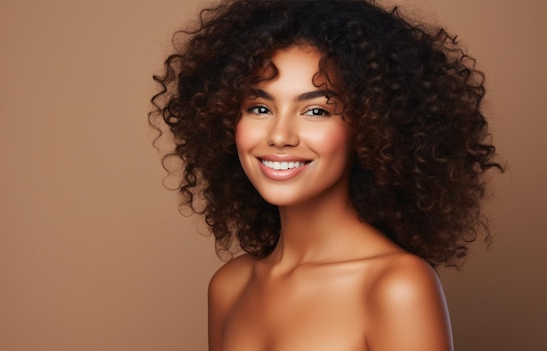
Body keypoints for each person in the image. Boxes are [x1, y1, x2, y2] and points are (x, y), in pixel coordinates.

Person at [150, 0, 502, 350]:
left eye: (316, 110)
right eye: (260, 108)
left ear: (372, 127)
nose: (280, 135)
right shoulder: (230, 286)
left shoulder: (396, 286)